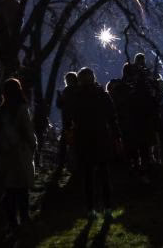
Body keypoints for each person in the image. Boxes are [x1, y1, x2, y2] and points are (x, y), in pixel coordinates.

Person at [67, 67, 119, 216]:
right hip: (101, 136)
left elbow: (70, 118)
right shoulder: (102, 94)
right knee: (104, 174)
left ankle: (90, 209)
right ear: (93, 78)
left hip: (83, 139)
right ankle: (108, 207)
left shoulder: (75, 97)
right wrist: (116, 136)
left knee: (88, 176)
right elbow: (112, 116)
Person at [0, 78, 36, 230]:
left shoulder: (0, 111)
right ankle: (24, 219)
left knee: (10, 189)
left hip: (5, 153)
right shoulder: (21, 108)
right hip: (20, 152)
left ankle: (12, 222)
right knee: (22, 189)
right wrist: (33, 147)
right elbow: (28, 131)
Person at [0, 0, 25, 74]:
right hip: (16, 25)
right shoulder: (16, 2)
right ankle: (16, 64)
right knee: (14, 44)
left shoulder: (4, 3)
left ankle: (15, 64)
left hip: (10, 26)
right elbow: (22, 14)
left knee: (12, 44)